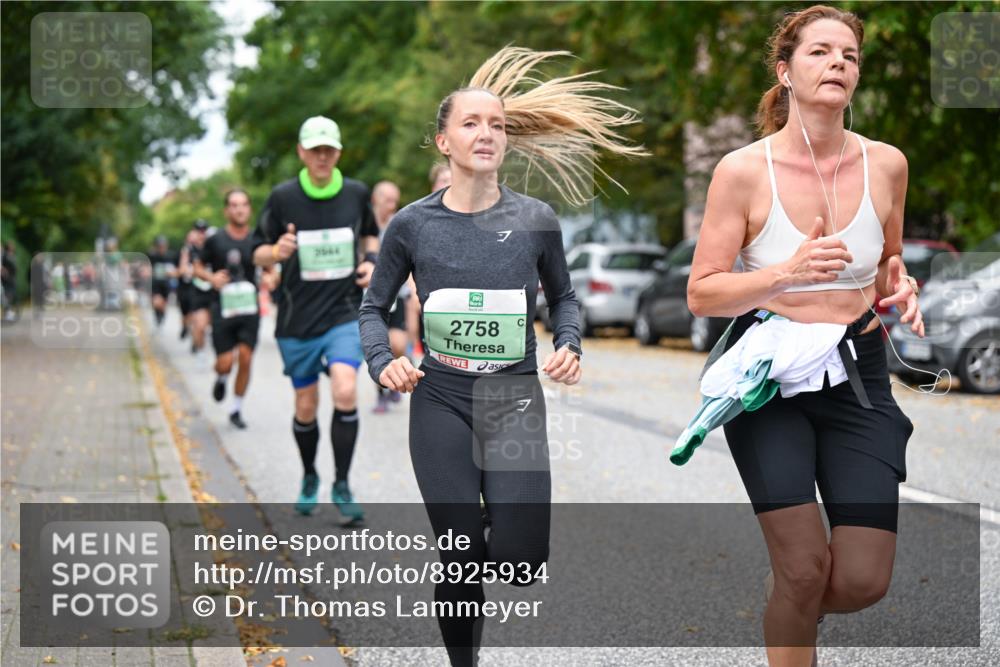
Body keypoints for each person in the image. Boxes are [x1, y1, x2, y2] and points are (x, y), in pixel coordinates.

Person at [359, 46, 644, 666]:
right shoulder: (411, 225)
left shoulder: (536, 219)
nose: (486, 133)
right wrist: (383, 361)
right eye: (471, 123)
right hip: (441, 399)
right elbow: (372, 308)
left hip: (513, 399)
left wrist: (569, 343)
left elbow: (564, 298)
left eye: (497, 124)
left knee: (520, 561)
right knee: (460, 556)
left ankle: (488, 528)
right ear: (444, 142)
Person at [685, 6, 921, 666]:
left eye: (849, 54)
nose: (838, 62)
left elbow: (889, 256)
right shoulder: (742, 171)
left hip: (857, 371)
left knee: (862, 580)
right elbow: (702, 291)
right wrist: (784, 273)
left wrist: (901, 283)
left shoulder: (887, 165)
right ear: (786, 71)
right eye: (820, 51)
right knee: (803, 567)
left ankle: (790, 600)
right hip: (769, 377)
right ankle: (794, 592)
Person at [252, 115, 380, 521]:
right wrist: (276, 252)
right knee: (306, 404)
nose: (322, 156)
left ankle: (342, 483)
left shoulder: (356, 193)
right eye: (315, 149)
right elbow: (257, 251)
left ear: (338, 152)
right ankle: (310, 475)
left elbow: (371, 233)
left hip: (344, 311)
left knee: (345, 389)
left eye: (329, 149)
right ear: (301, 152)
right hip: (297, 317)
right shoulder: (282, 197)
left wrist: (371, 260)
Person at [194, 189, 266, 429]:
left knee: (245, 358)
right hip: (222, 309)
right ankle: (222, 376)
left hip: (249, 309)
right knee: (225, 362)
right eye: (234, 205)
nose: (239, 209)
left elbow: (269, 268)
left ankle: (236, 408)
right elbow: (197, 267)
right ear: (226, 210)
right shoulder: (215, 240)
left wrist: (272, 277)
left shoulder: (257, 239)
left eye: (243, 204)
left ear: (249, 209)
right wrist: (211, 277)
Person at [369, 180, 408, 413]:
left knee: (398, 344)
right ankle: (381, 394)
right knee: (378, 346)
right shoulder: (365, 226)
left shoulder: (399, 224)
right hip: (371, 297)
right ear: (376, 199)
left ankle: (396, 375)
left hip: (398, 293)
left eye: (395, 201)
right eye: (388, 200)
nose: (392, 205)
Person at [148, 236, 178, 329]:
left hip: (166, 285)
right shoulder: (152, 256)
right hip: (155, 284)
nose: (162, 248)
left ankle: (162, 315)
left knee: (163, 303)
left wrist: (172, 273)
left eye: (163, 246)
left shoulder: (171, 256)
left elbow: (177, 270)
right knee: (156, 302)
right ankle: (157, 315)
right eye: (160, 246)